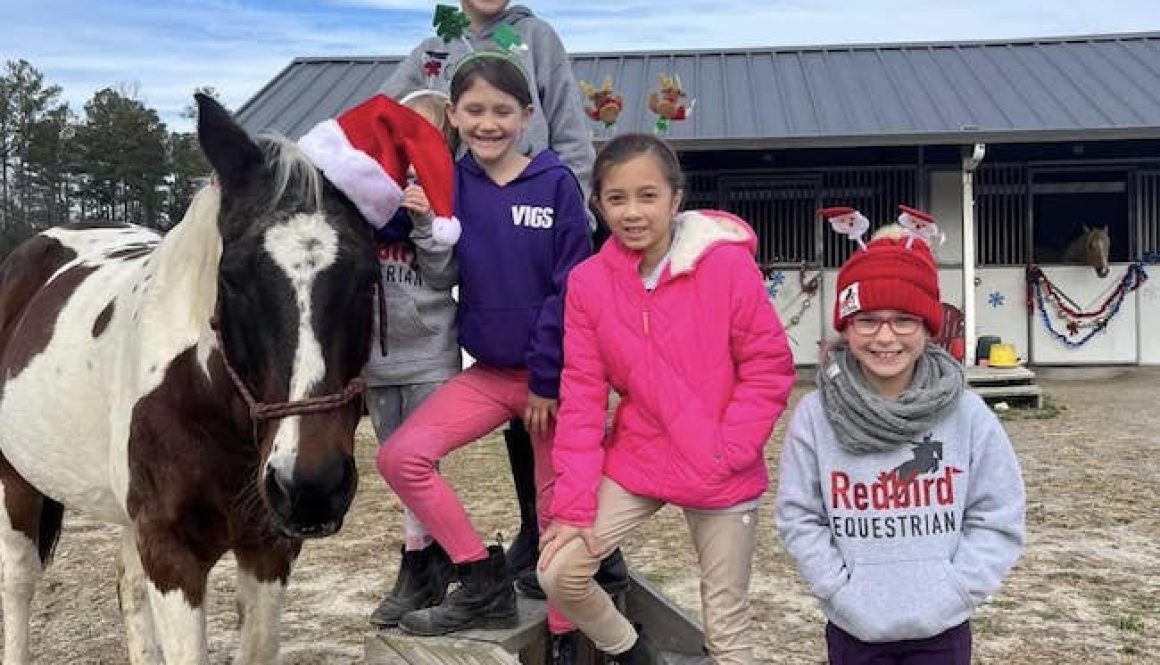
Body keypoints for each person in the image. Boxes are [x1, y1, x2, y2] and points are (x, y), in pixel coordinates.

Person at [536, 133, 796, 665]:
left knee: (727, 630)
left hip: (722, 461)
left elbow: (768, 367)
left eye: (648, 196)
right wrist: (574, 505)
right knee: (558, 572)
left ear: (676, 199)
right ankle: (631, 653)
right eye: (616, 199)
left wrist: (734, 448)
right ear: (599, 204)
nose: (633, 213)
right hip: (643, 454)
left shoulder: (725, 266)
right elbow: (583, 396)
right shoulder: (588, 283)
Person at [382, 0, 600, 582]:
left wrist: (568, 205)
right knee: (508, 425)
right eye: (471, 110)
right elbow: (388, 117)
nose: (486, 119)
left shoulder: (538, 38)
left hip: (536, 217)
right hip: (472, 223)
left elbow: (573, 132)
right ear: (456, 113)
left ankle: (573, 552)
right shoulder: (432, 50)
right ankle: (504, 553)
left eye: (501, 109)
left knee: (558, 452)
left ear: (520, 114)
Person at [774, 224, 1026, 665]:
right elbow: (800, 515)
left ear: (927, 327)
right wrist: (838, 588)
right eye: (867, 320)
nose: (885, 338)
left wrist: (957, 589)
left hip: (941, 627)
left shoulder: (967, 414)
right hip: (854, 626)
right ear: (846, 328)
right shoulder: (816, 417)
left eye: (903, 320)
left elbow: (998, 513)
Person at [364, 90, 462, 629]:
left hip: (429, 354)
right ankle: (437, 559)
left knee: (418, 464)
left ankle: (415, 564)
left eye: (429, 131)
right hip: (377, 359)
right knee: (395, 467)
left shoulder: (446, 194)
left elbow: (446, 277)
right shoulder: (365, 192)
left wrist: (425, 223)